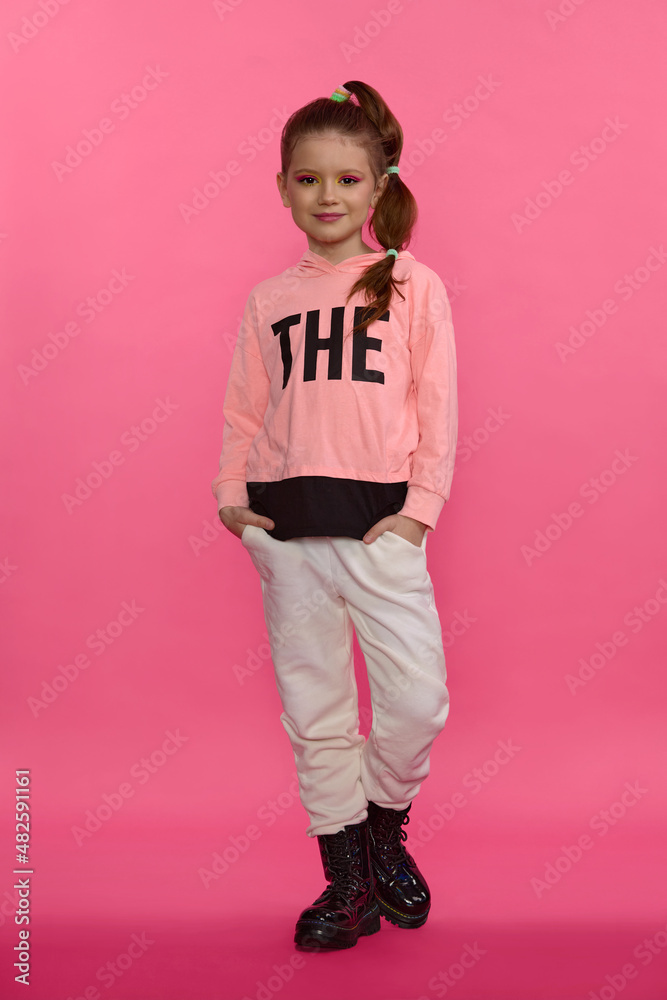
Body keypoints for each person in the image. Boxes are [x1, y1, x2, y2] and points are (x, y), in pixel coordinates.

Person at [211, 80, 458, 952]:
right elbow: (246, 411)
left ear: (378, 187)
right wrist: (235, 507)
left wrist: (418, 514)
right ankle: (345, 884)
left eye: (347, 180)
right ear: (282, 187)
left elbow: (437, 408)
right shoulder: (268, 300)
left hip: (378, 530)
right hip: (287, 534)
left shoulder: (413, 286)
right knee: (315, 713)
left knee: (417, 700)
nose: (328, 197)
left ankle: (384, 825)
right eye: (308, 180)